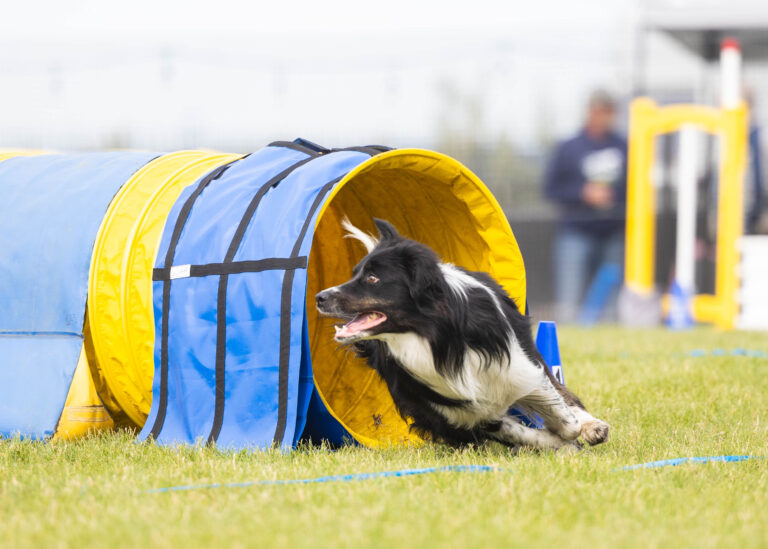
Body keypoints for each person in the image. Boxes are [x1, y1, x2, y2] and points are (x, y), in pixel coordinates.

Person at [543, 90, 627, 323]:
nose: (603, 117)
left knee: (612, 303)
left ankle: (612, 338)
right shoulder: (569, 147)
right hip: (575, 233)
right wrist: (583, 193)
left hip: (613, 233)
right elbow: (550, 189)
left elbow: (637, 187)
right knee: (570, 301)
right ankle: (568, 337)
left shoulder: (624, 146)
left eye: (607, 112)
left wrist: (614, 195)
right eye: (598, 111)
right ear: (589, 112)